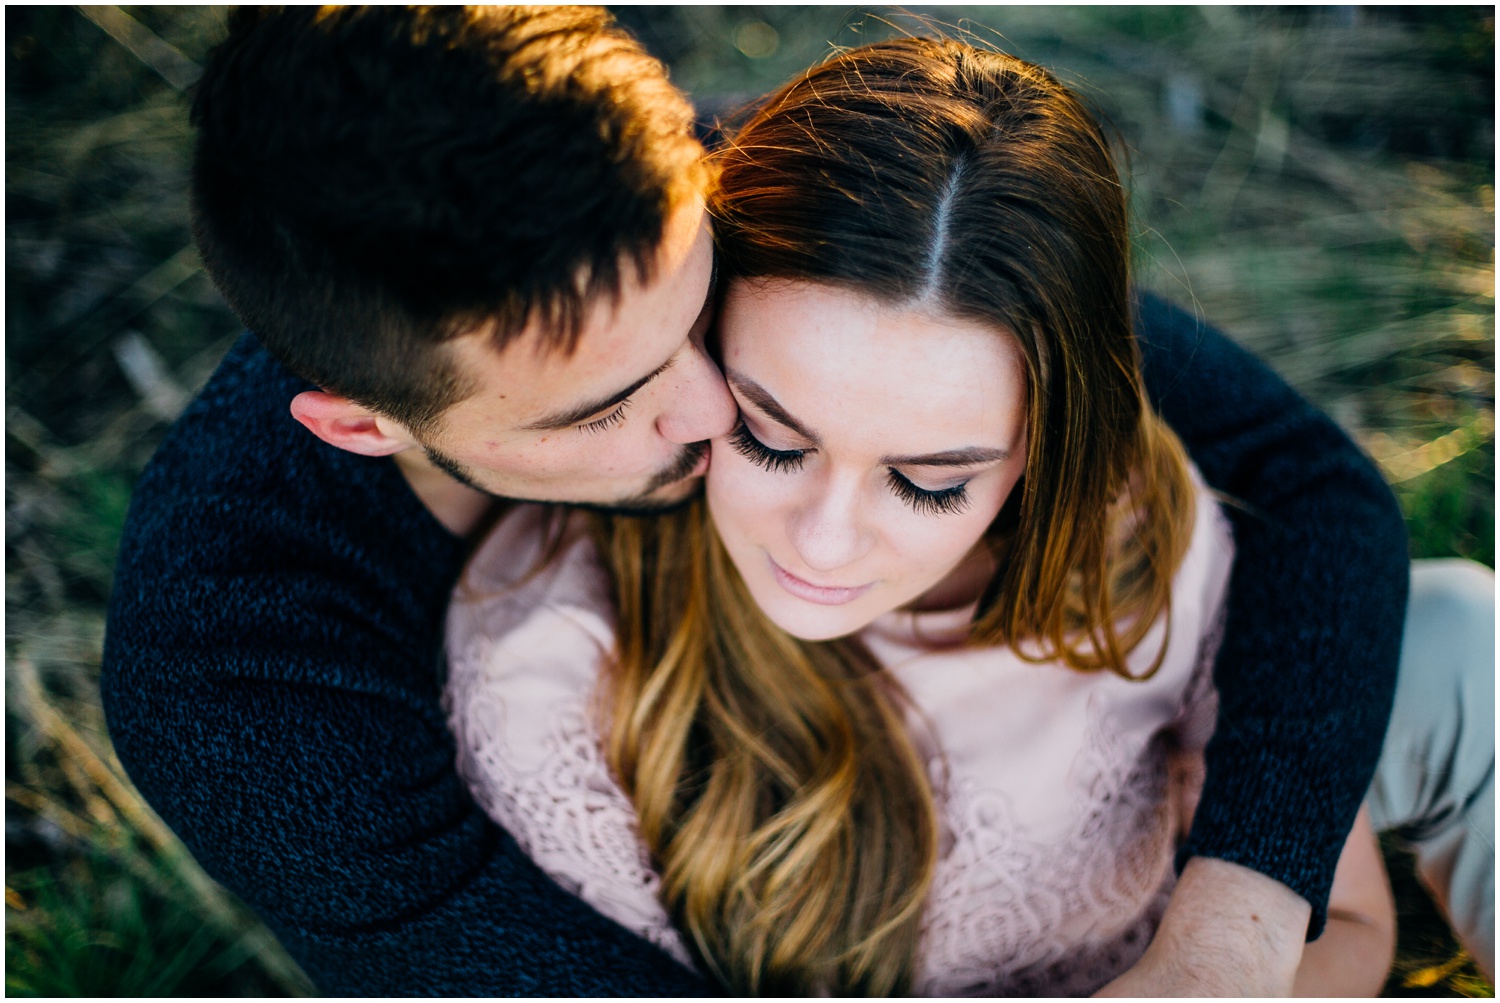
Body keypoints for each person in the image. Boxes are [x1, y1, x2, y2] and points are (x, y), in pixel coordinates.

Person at [99, 6, 1455, 996]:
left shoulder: (665, 201)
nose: (706, 412)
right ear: (360, 429)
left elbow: (1301, 472)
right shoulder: (246, 697)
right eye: (609, 405)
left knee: (1457, 635)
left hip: (1102, 776)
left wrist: (1234, 931)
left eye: (705, 324)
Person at [444, 38, 1404, 996]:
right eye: (769, 438)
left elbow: (1355, 927)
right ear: (692, 340)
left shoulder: (1147, 543)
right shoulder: (555, 677)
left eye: (932, 482)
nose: (822, 539)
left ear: (1046, 452)